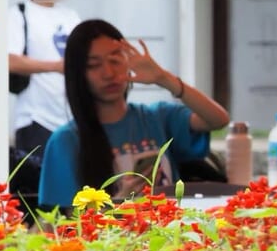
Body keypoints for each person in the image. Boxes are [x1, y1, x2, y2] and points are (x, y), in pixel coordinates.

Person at [38, 19, 230, 210]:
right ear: (78, 74)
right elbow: (64, 225)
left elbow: (218, 119)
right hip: (115, 239)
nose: (109, 73)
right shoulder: (65, 141)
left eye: (115, 59)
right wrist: (120, 204)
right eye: (93, 65)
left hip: (172, 235)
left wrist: (163, 78)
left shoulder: (158, 117)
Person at [8, 0, 81, 166]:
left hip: (73, 118)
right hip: (36, 118)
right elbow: (9, 60)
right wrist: (56, 66)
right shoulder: (18, 14)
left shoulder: (71, 16)